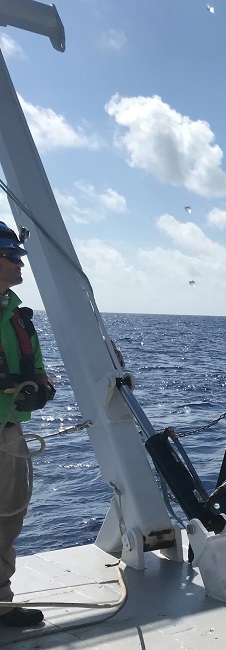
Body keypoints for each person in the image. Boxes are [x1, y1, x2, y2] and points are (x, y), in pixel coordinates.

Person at [0, 221, 55, 628]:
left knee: (7, 519)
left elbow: (37, 369)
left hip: (9, 436)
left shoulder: (19, 316)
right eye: (11, 255)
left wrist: (43, 389)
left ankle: (1, 603)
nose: (21, 263)